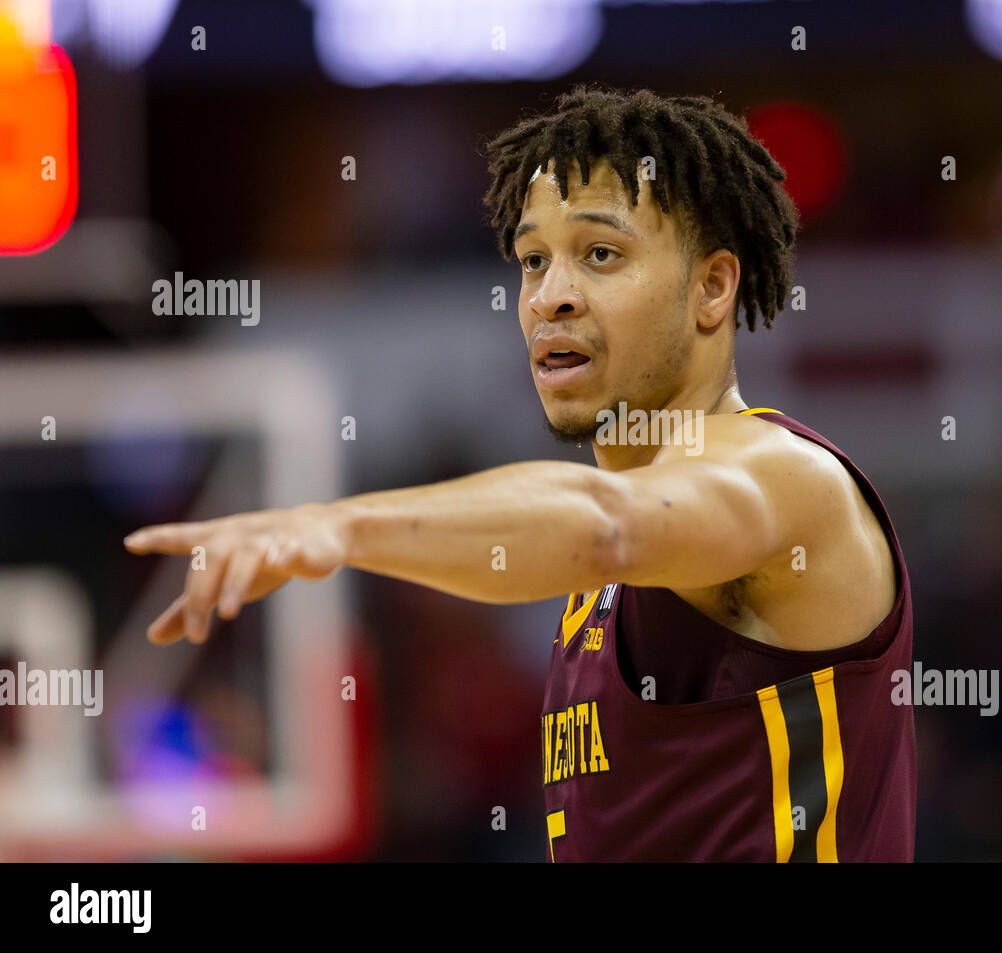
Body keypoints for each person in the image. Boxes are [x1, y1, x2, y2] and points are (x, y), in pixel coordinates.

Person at [124, 84, 915, 862]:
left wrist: (336, 524)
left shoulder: (784, 477)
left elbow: (606, 523)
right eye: (534, 260)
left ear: (711, 287)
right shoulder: (599, 583)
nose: (551, 298)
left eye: (600, 255)